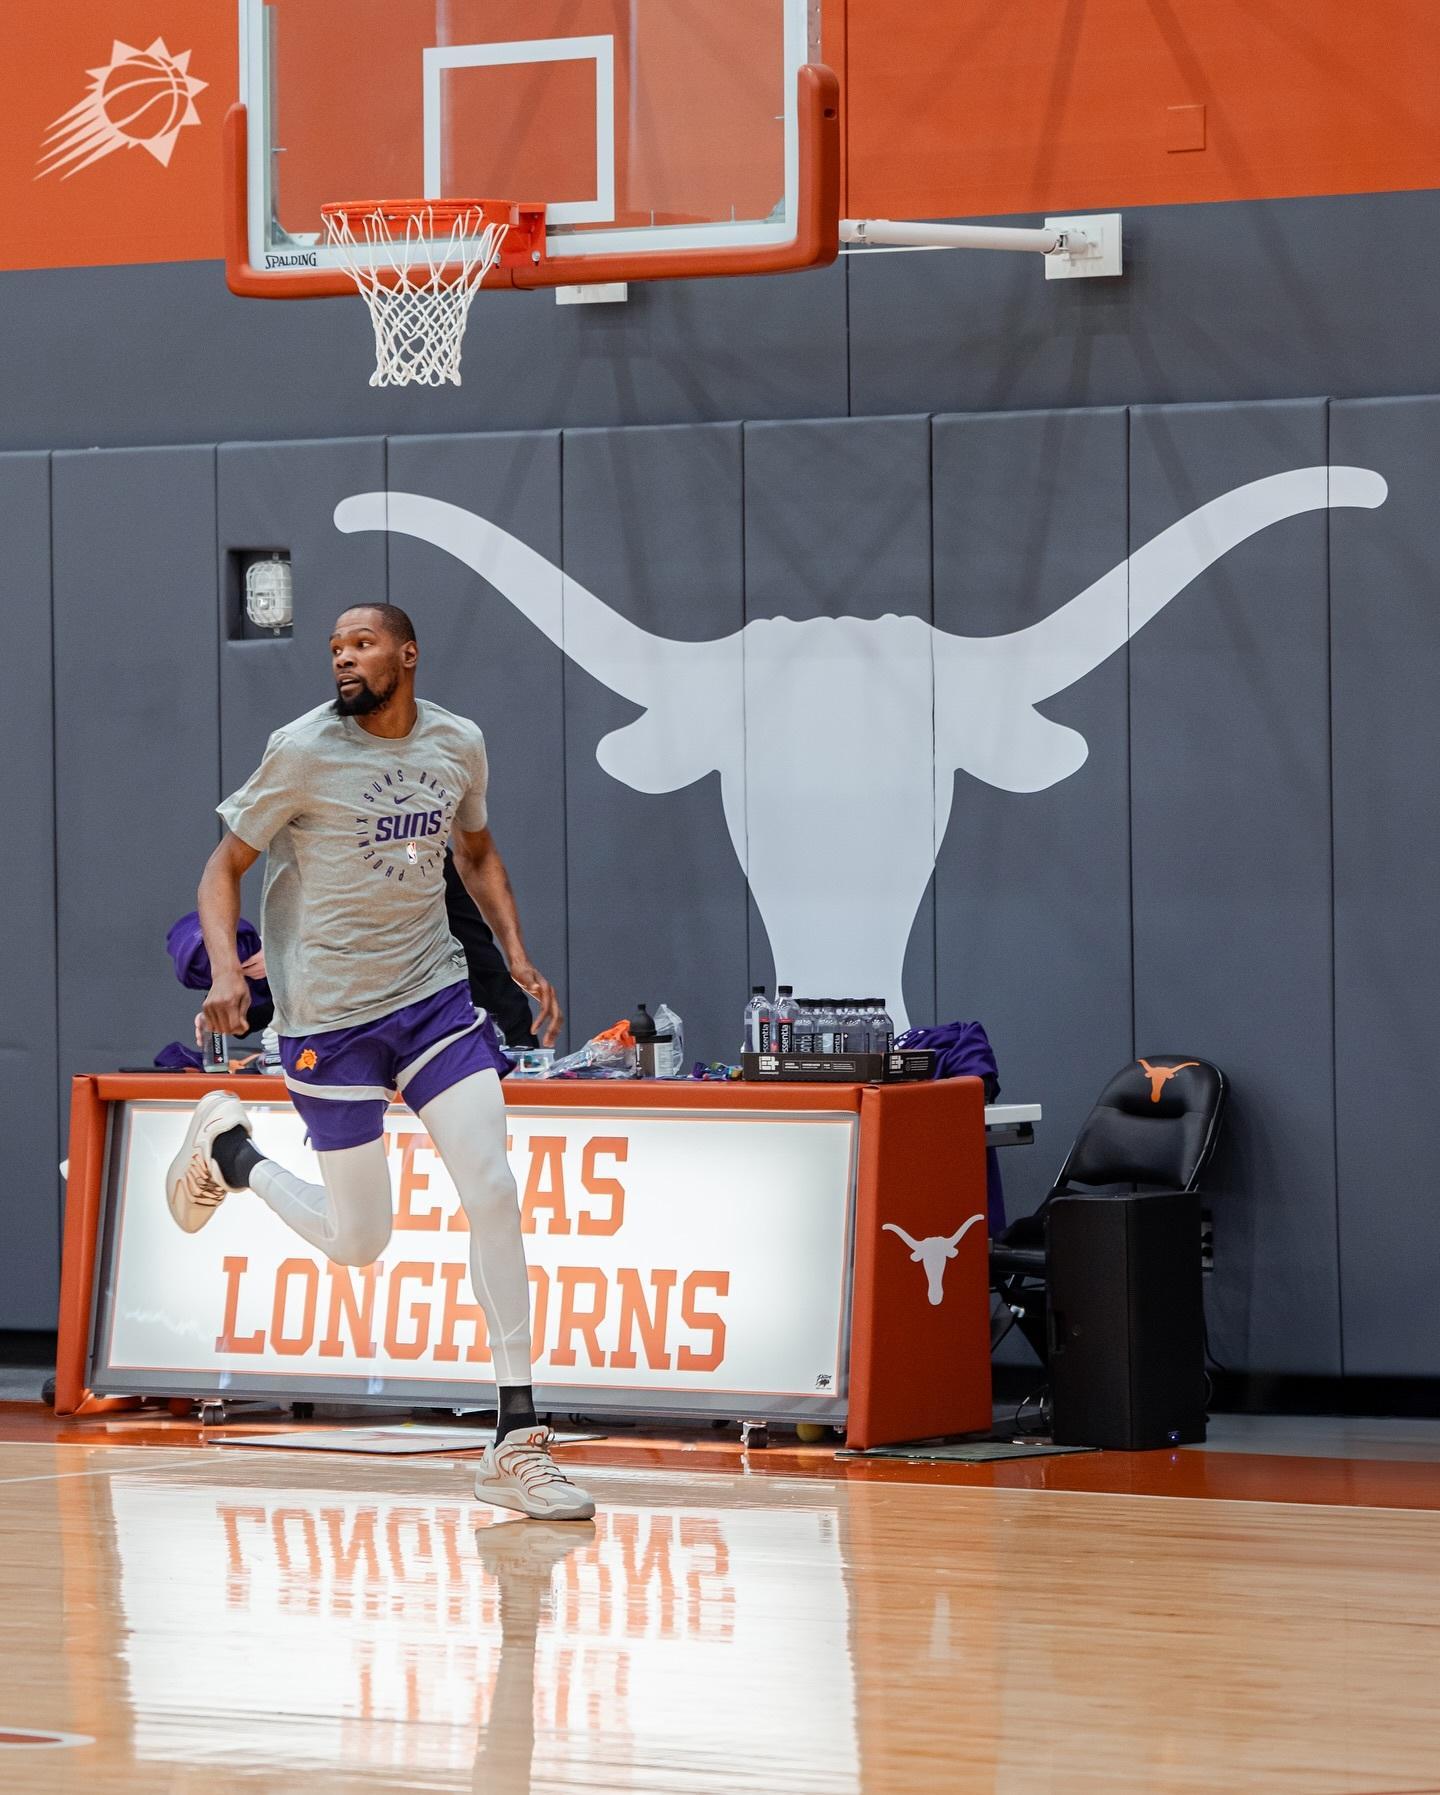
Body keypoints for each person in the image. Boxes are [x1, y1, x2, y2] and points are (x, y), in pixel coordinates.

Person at [164, 601, 592, 1521]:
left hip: (432, 995)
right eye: (333, 648)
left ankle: (517, 1439)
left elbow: (475, 853)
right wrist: (226, 977)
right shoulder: (301, 750)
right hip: (331, 1016)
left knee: (492, 1186)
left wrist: (515, 955)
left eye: (360, 645)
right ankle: (230, 1153)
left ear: (407, 652)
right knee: (361, 1242)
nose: (343, 660)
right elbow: (220, 867)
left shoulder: (456, 743)